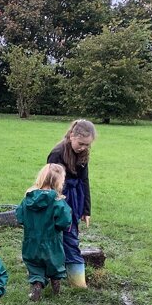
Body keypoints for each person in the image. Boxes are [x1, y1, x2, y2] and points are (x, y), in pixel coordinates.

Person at [47, 119, 96, 288]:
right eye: (81, 143)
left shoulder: (83, 154)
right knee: (58, 235)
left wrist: (86, 209)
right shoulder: (57, 153)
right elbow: (50, 184)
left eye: (87, 145)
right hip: (59, 199)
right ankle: (55, 275)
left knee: (71, 235)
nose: (83, 148)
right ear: (72, 135)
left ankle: (76, 280)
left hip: (76, 198)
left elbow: (84, 180)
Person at [16, 164, 73, 301]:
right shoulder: (58, 201)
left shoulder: (28, 199)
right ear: (59, 182)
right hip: (52, 241)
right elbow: (64, 221)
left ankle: (37, 284)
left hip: (31, 241)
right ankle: (56, 288)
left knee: (34, 266)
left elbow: (19, 217)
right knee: (55, 264)